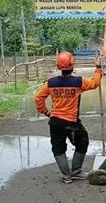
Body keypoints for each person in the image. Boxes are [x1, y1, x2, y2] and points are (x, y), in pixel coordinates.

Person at [34, 52, 102, 184]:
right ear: (73, 65)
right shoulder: (78, 82)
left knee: (58, 148)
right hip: (71, 122)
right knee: (82, 142)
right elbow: (95, 83)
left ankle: (66, 176)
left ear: (59, 66)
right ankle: (76, 172)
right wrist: (98, 68)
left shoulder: (51, 83)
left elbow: (38, 98)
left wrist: (46, 112)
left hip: (55, 122)